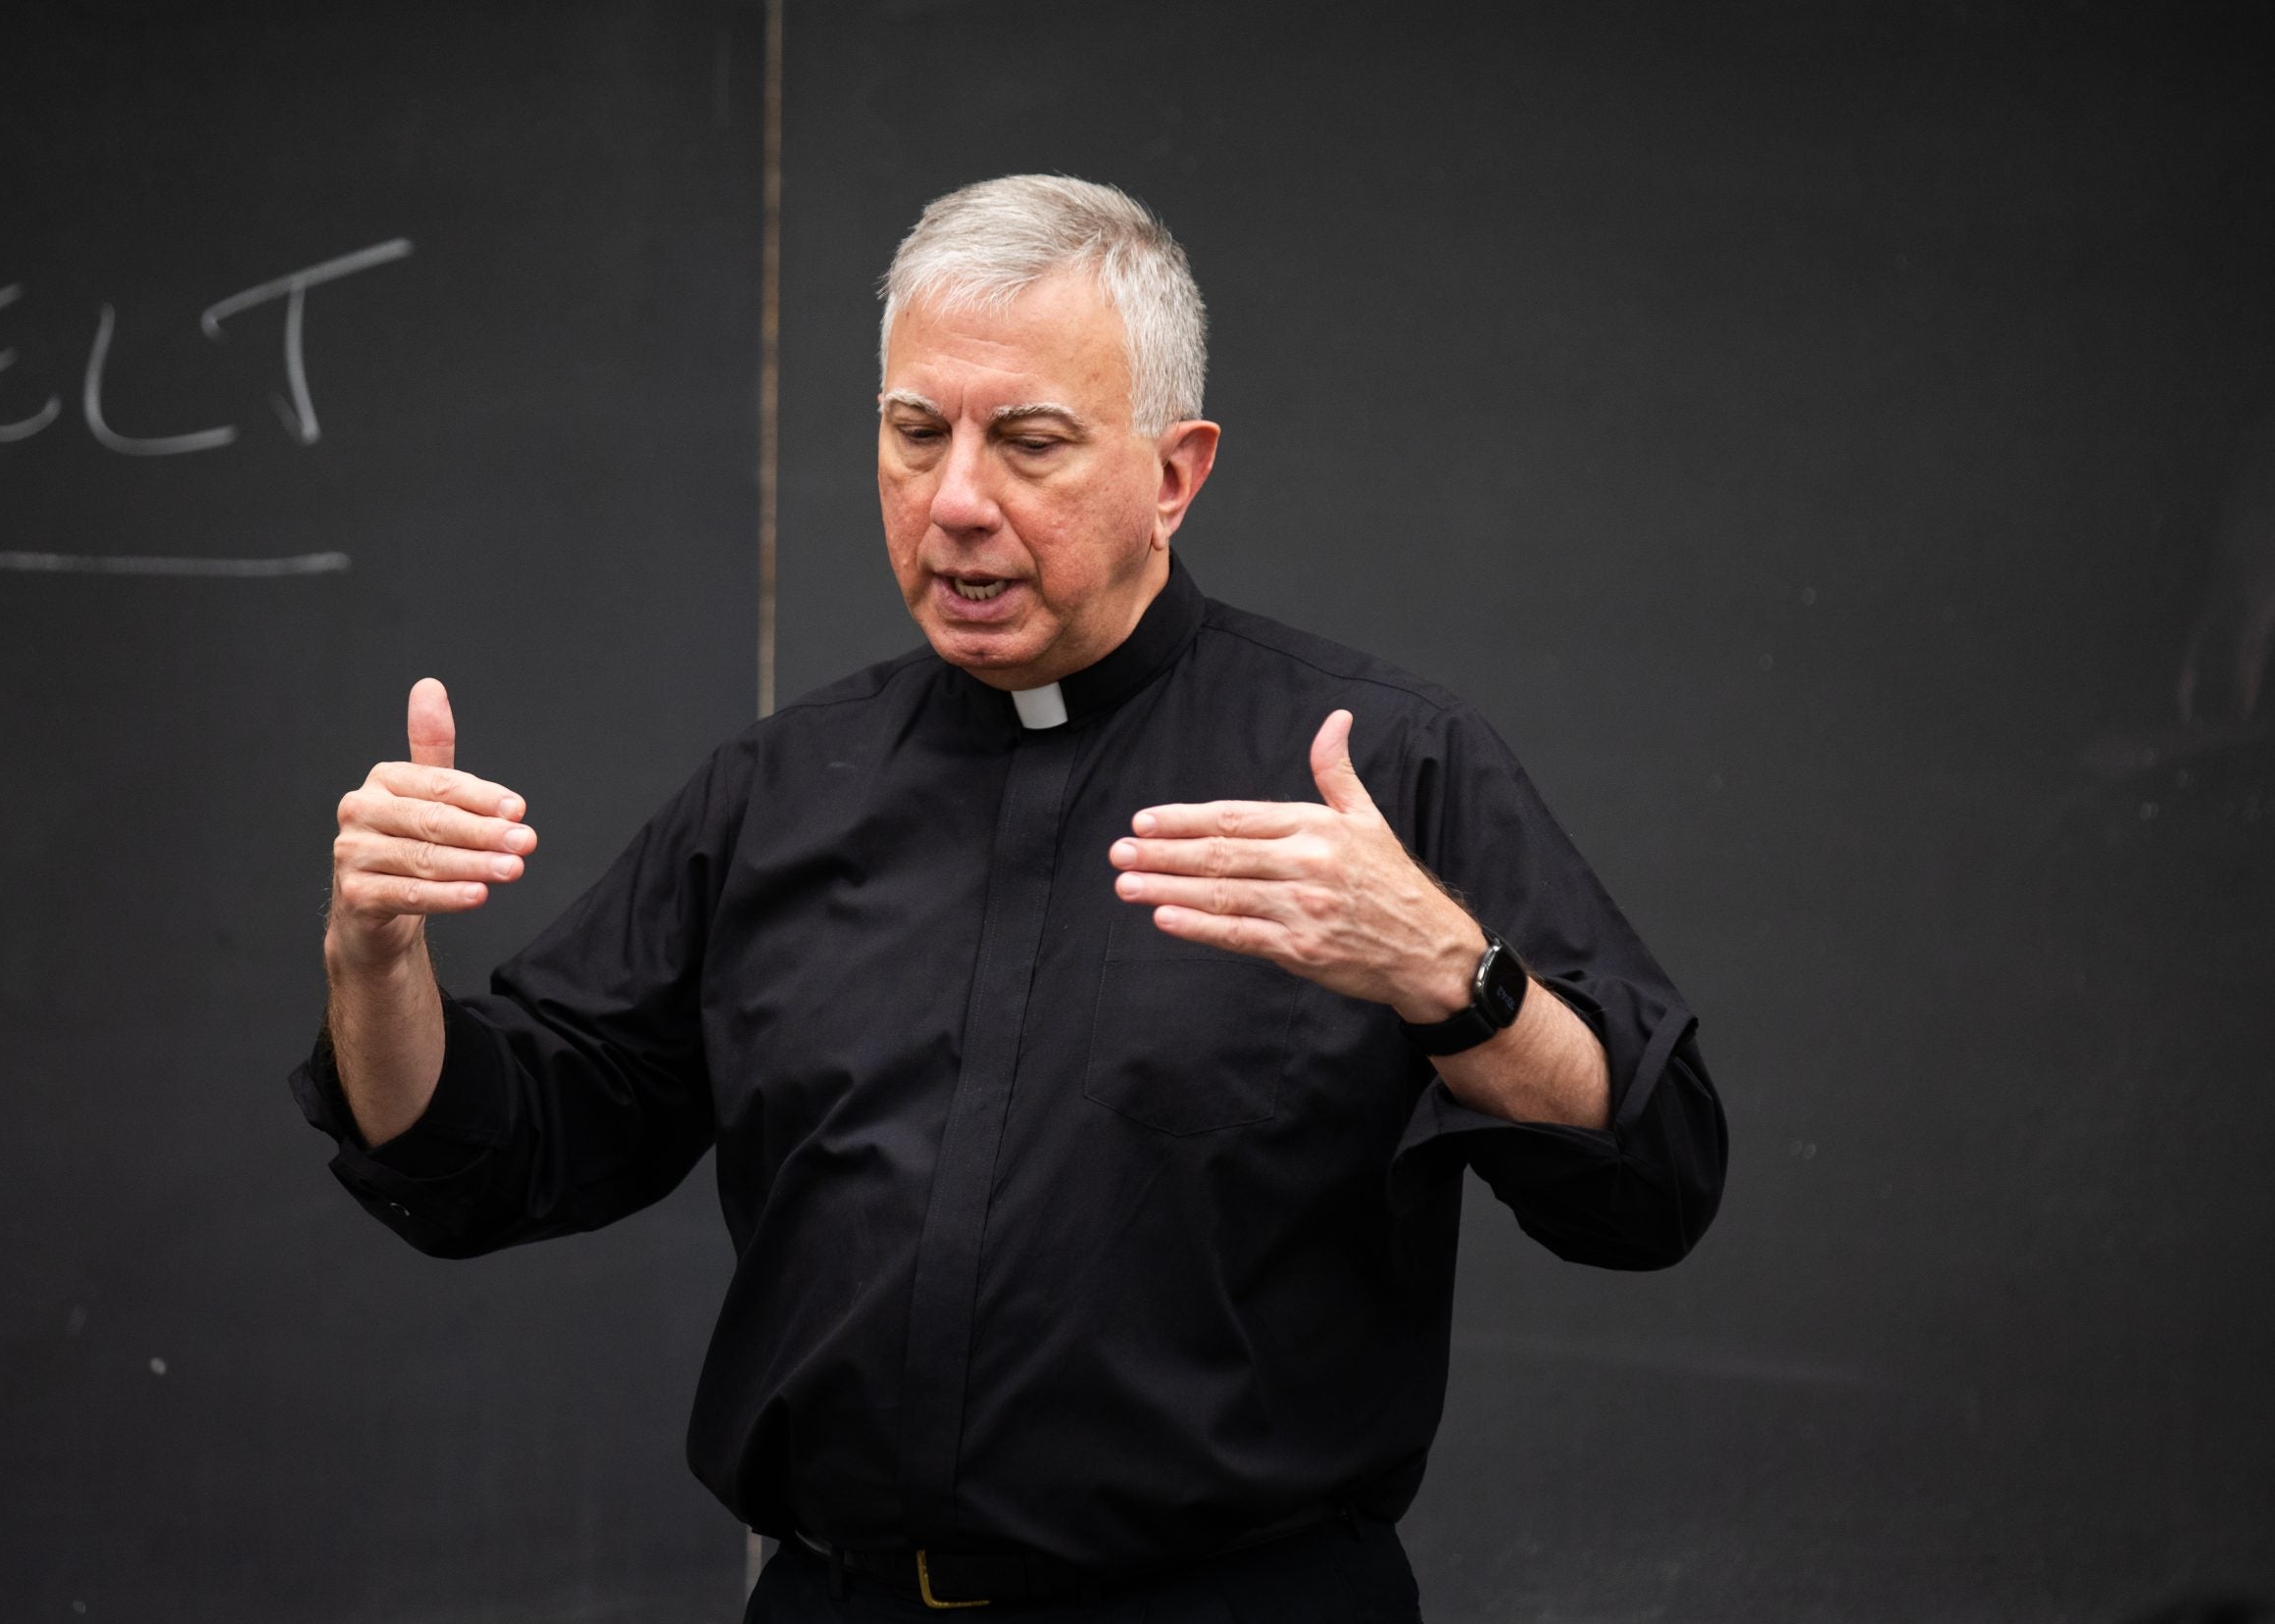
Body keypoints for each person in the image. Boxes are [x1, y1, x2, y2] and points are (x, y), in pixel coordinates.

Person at [293, 174, 1726, 1621]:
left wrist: (1454, 975)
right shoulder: (780, 793)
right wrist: (376, 954)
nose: (958, 500)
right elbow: (484, 1153)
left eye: (1030, 443)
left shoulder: (1382, 769)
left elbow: (1657, 1177)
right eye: (917, 434)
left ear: (1176, 473)